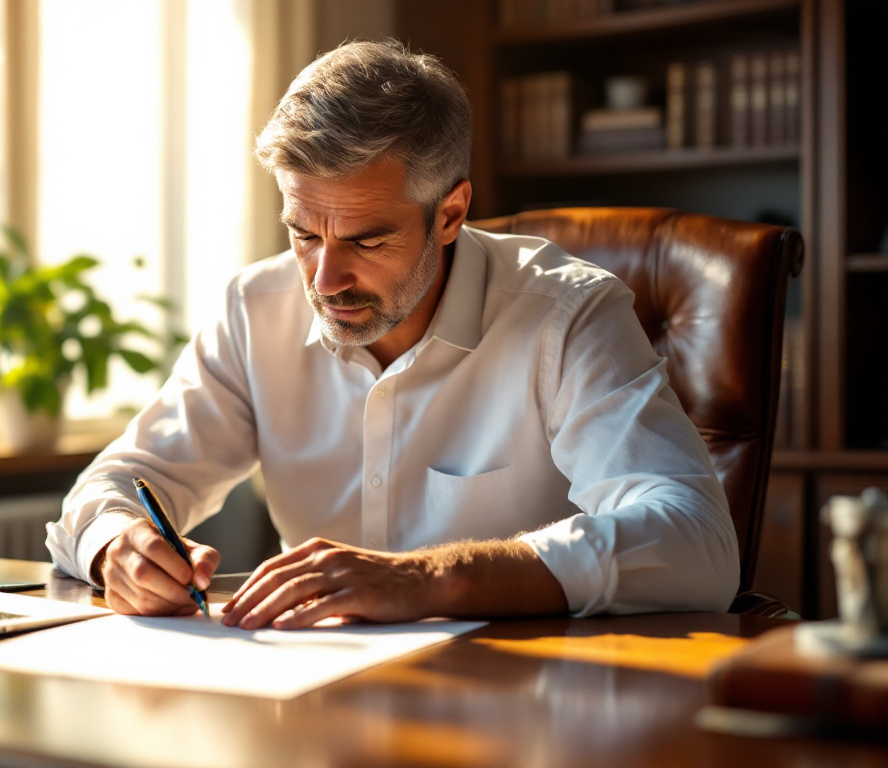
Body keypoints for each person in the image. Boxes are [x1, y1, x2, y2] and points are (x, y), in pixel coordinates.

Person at [45, 39, 739, 630]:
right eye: (302, 233)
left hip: (525, 704)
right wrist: (118, 547)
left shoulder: (568, 315)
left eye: (366, 239)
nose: (324, 277)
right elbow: (118, 484)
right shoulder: (255, 308)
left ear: (451, 212)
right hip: (309, 700)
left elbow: (696, 541)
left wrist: (434, 578)